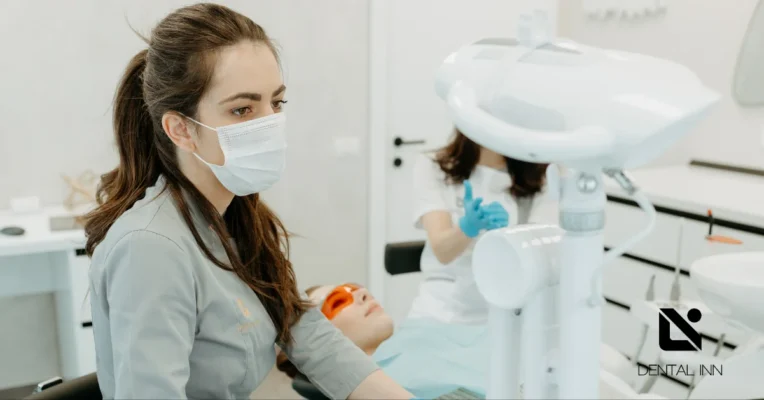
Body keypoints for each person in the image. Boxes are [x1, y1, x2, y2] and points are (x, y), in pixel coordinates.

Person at [82, 4, 412, 399]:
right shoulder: (150, 248)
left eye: (277, 104)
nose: (268, 123)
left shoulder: (234, 218)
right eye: (242, 109)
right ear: (181, 129)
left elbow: (308, 335)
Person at [276, 284, 653, 400]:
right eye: (338, 302)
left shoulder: (419, 329)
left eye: (356, 288)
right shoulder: (379, 385)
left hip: (556, 364)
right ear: (321, 340)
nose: (361, 294)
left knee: (615, 364)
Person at [409, 129, 551, 324]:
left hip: (504, 306)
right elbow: (442, 251)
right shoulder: (433, 166)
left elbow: (540, 257)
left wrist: (508, 237)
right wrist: (468, 227)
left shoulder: (539, 176)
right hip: (441, 304)